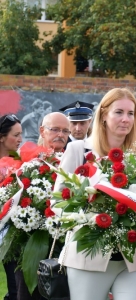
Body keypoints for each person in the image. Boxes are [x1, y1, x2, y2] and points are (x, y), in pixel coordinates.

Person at [54, 88, 136, 300]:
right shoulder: (78, 150)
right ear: (103, 115)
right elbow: (57, 203)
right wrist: (90, 216)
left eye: (131, 113)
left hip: (134, 256)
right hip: (88, 256)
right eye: (119, 112)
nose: (126, 119)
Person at [14, 112, 69, 300]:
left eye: (65, 131)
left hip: (66, 248)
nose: (60, 135)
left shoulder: (75, 164)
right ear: (42, 131)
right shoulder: (26, 163)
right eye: (55, 129)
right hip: (32, 244)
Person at [0, 114, 22, 300]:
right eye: (16, 135)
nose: (20, 139)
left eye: (21, 134)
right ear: (2, 137)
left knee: (15, 289)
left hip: (11, 235)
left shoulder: (21, 163)